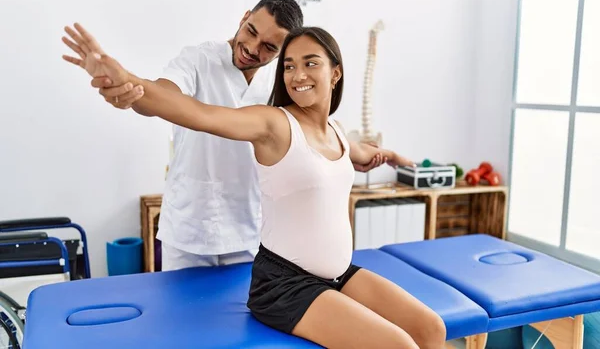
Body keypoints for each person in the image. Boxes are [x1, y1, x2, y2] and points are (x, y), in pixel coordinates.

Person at [62, 23, 445, 348]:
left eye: (311, 63)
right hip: (285, 286)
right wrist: (127, 81)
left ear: (336, 73)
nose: (297, 76)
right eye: (290, 66)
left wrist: (385, 155)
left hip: (337, 274)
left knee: (432, 329)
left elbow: (353, 154)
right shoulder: (273, 124)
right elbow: (199, 113)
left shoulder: (337, 133)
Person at [62, 0, 393, 271]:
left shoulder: (282, 83)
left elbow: (310, 130)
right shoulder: (198, 59)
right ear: (244, 17)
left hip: (250, 232)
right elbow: (162, 97)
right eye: (250, 31)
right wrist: (127, 85)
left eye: (268, 48)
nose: (252, 47)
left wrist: (364, 154)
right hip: (189, 231)